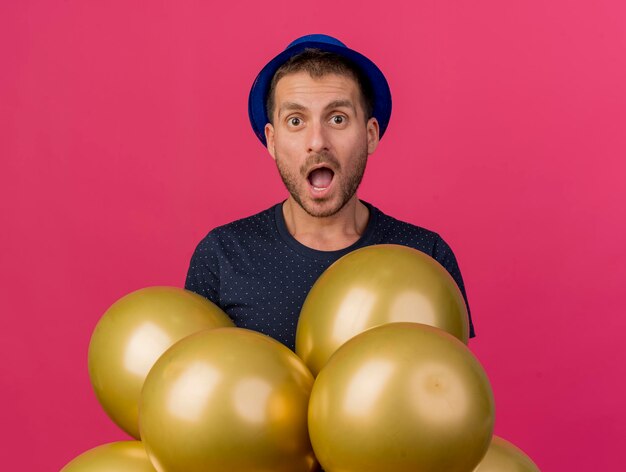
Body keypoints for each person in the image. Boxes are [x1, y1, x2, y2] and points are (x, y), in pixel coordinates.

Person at [185, 34, 475, 350]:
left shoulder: (425, 256)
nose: (318, 140)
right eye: (295, 120)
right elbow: (193, 387)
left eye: (337, 118)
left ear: (370, 134)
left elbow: (447, 388)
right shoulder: (223, 254)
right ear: (272, 140)